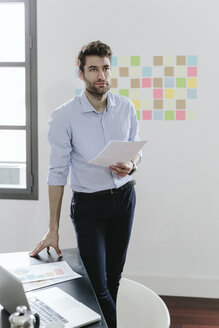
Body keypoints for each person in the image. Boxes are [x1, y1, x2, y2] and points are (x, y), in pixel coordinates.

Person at [30, 40, 142, 328]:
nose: (100, 75)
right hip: (89, 205)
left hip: (124, 199)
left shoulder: (126, 107)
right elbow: (57, 173)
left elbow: (136, 150)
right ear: (80, 73)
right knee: (96, 284)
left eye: (105, 68)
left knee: (113, 279)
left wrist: (133, 163)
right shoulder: (64, 116)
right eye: (93, 69)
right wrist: (53, 228)